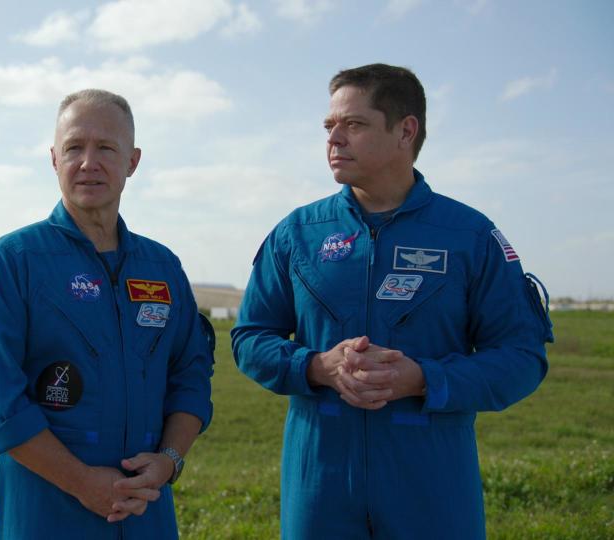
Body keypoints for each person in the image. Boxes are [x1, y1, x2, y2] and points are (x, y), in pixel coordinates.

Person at [231, 64, 554, 539]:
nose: (334, 139)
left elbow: (522, 357)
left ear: (406, 131)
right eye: (329, 126)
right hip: (320, 482)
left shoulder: (470, 236)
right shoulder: (298, 234)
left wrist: (425, 379)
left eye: (354, 124)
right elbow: (250, 338)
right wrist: (319, 366)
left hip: (432, 484)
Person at [0, 89, 215, 539]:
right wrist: (81, 483)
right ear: (54, 159)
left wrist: (169, 461)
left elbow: (191, 373)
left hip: (145, 512)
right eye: (74, 147)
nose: (88, 162)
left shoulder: (162, 268)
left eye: (106, 148)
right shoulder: (14, 261)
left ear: (132, 162)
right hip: (47, 511)